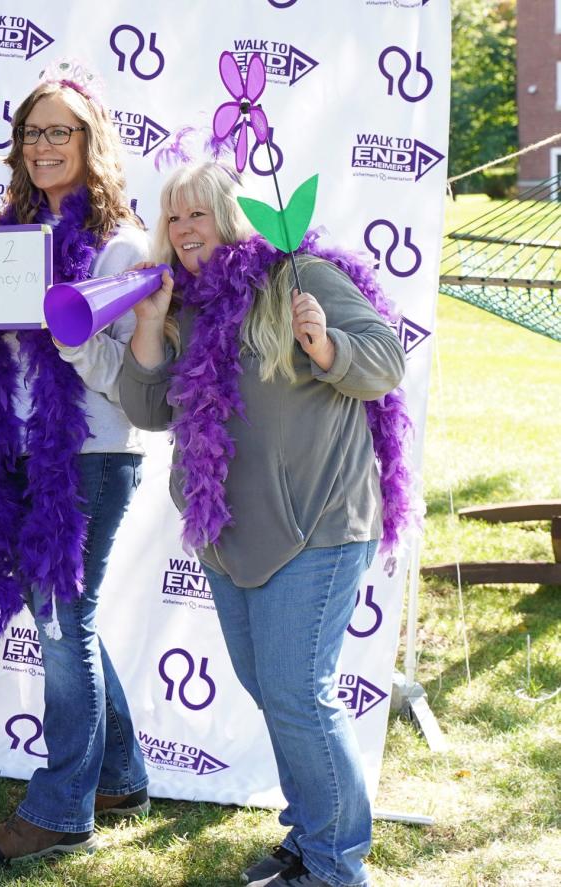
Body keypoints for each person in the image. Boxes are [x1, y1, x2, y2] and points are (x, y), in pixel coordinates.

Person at [118, 162, 410, 887]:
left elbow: (386, 361)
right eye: (173, 218)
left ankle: (336, 864)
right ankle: (311, 836)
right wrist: (150, 329)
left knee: (296, 688)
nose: (185, 231)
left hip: (318, 520)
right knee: (271, 686)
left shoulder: (298, 275)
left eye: (198, 215)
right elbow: (149, 411)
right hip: (231, 532)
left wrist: (324, 344)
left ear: (230, 214)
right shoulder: (182, 304)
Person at [0, 62, 152, 865]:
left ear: (92, 142)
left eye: (61, 130)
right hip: (17, 451)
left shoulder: (120, 246)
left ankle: (60, 809)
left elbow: (126, 372)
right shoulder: (6, 240)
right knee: (68, 625)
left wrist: (68, 329)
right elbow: (2, 355)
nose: (44, 144)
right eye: (32, 132)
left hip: (86, 459)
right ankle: (118, 774)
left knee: (63, 627)